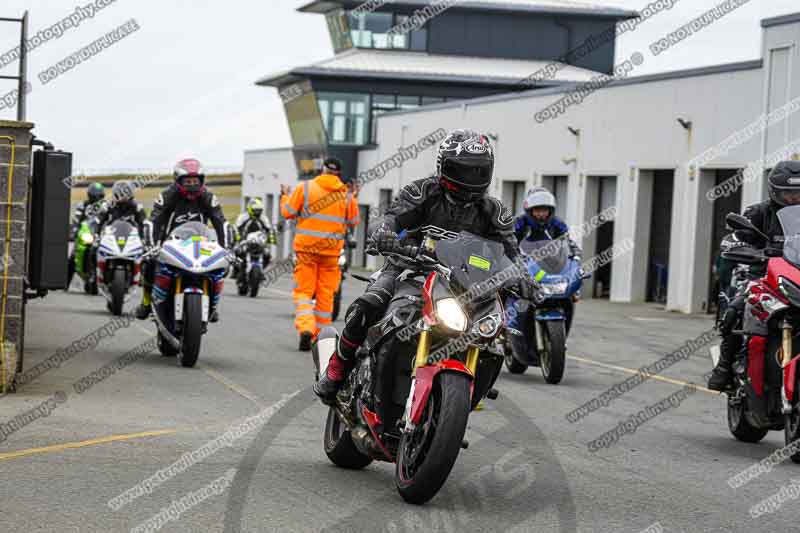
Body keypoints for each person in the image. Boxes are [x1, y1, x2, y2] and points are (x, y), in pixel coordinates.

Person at [313, 129, 537, 403]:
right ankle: (337, 369)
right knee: (368, 305)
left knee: (491, 335)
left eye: (478, 171)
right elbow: (390, 217)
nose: (471, 179)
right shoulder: (423, 192)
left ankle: (460, 397)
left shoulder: (494, 211)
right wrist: (383, 232)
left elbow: (511, 250)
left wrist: (523, 277)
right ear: (444, 166)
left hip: (464, 284)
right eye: (463, 170)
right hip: (408, 268)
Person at [708, 160, 800, 391]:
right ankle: (724, 367)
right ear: (775, 191)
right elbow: (736, 237)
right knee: (736, 310)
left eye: (798, 193)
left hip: (796, 276)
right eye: (788, 193)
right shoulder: (759, 212)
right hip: (762, 276)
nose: (793, 198)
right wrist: (745, 248)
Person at [135, 158, 232, 322]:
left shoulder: (209, 198)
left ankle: (212, 306)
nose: (192, 184)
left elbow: (221, 222)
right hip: (170, 244)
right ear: (178, 180)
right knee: (148, 265)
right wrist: (151, 246)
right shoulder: (166, 196)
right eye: (188, 181)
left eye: (196, 180)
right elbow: (154, 222)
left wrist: (226, 249)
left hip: (201, 244)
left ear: (202, 181)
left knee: (222, 267)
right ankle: (146, 302)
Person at [280, 157, 360, 351]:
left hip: (306, 250)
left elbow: (287, 212)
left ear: (323, 170)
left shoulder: (305, 188)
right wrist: (354, 197)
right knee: (326, 295)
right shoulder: (346, 194)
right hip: (331, 253)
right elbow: (354, 221)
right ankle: (320, 337)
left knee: (304, 293)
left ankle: (306, 327)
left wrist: (284, 196)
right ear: (338, 174)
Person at [67, 182, 107, 288]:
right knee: (72, 256)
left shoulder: (106, 206)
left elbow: (109, 220)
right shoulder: (83, 205)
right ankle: (65, 283)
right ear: (89, 195)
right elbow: (76, 219)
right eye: (94, 196)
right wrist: (73, 231)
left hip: (100, 234)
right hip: (85, 233)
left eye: (99, 196)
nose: (96, 198)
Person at [232, 198, 276, 277]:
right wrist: (239, 239)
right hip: (245, 241)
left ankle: (261, 271)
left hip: (259, 241)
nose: (257, 212)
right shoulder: (243, 217)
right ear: (250, 209)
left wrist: (271, 239)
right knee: (237, 252)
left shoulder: (263, 218)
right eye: (255, 210)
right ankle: (236, 270)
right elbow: (236, 229)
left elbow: (269, 229)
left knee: (267, 255)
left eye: (259, 210)